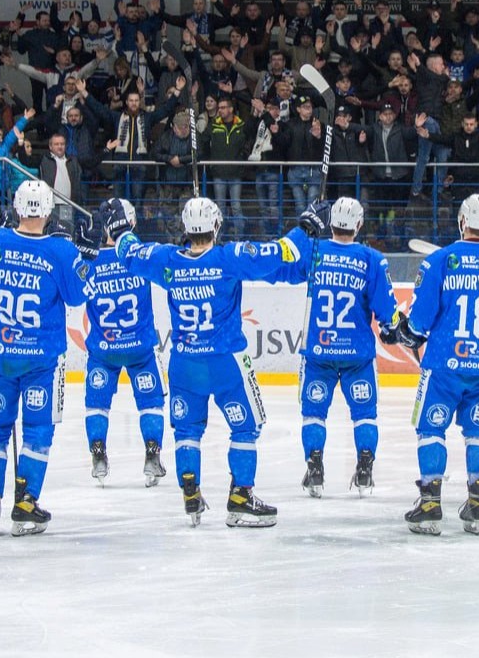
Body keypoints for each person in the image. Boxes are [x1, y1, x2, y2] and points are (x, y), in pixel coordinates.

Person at [102, 193, 305, 528]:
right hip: (226, 363)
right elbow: (279, 253)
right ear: (215, 225)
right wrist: (305, 228)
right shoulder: (229, 258)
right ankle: (241, 497)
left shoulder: (167, 261)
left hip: (184, 364)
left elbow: (130, 252)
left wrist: (121, 228)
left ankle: (190, 492)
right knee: (246, 426)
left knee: (187, 430)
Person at [388, 193, 479, 535]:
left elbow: (419, 323)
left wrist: (407, 332)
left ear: (462, 221)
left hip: (444, 365)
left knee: (430, 428)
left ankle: (430, 503)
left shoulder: (441, 261)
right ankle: (477, 501)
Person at [0, 180, 86, 536]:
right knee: (37, 431)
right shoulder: (61, 251)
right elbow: (79, 296)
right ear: (49, 211)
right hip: (41, 361)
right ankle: (26, 502)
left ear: (17, 208)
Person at [287, 196, 398, 498]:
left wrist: (306, 229)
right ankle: (364, 471)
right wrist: (392, 328)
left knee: (313, 415)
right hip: (357, 356)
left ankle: (314, 469)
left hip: (319, 354)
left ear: (331, 222)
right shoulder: (371, 259)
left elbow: (288, 269)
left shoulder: (315, 251)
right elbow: (386, 309)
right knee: (364, 415)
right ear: (359, 225)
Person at [79, 198, 167, 486]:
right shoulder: (140, 256)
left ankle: (98, 453)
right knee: (151, 403)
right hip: (140, 347)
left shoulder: (87, 262)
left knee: (97, 404)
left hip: (103, 349)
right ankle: (152, 455)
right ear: (130, 224)